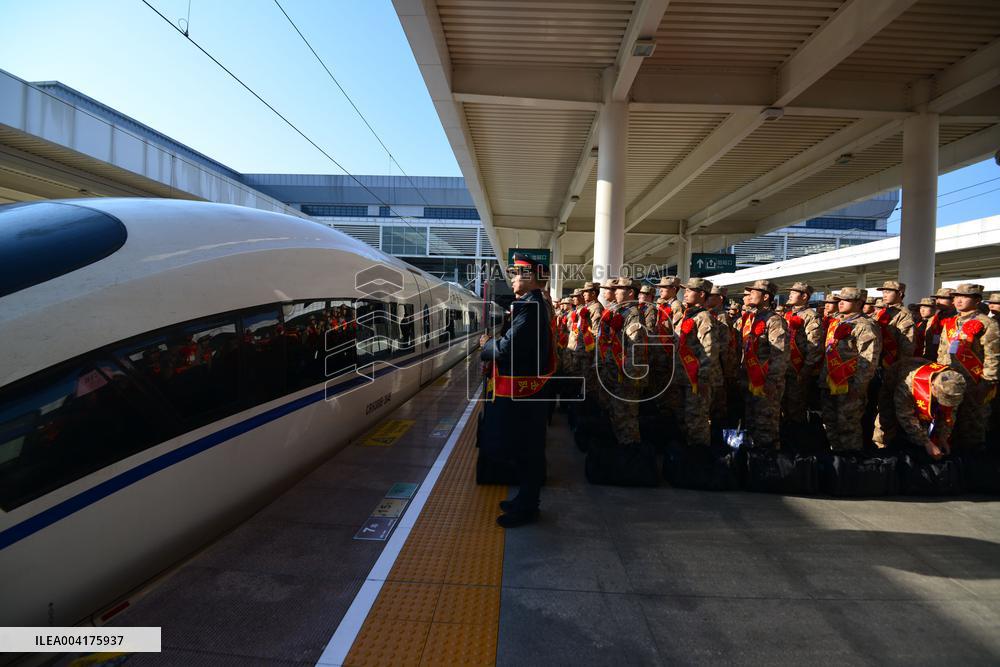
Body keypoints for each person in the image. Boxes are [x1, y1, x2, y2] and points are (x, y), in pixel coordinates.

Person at [479, 253, 555, 528]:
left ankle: (527, 506)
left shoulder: (531, 307)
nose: (512, 279)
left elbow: (506, 348)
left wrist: (487, 345)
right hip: (526, 390)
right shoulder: (534, 304)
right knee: (525, 447)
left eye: (516, 274)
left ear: (530, 277)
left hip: (525, 393)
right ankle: (524, 498)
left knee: (528, 449)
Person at [937, 283, 999, 449]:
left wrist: (987, 383)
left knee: (972, 424)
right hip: (949, 380)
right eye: (956, 296)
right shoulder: (951, 322)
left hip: (974, 381)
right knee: (947, 423)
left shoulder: (987, 324)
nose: (958, 300)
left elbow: (993, 356)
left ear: (977, 300)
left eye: (964, 296)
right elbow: (942, 351)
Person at [819, 287, 881, 452]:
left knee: (848, 426)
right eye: (840, 300)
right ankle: (836, 458)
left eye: (846, 300)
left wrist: (858, 387)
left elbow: (869, 359)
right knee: (830, 423)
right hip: (830, 381)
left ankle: (850, 464)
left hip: (850, 385)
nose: (841, 303)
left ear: (859, 303)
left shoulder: (865, 325)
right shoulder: (837, 321)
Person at [873, 357, 966, 458]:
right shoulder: (908, 386)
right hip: (895, 379)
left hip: (919, 375)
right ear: (933, 386)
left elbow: (949, 414)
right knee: (887, 419)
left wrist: (943, 437)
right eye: (940, 398)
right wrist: (926, 442)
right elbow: (906, 417)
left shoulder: (953, 385)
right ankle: (881, 450)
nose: (943, 402)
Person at [742, 279, 788, 449]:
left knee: (766, 424)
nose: (750, 294)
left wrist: (772, 380)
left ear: (766, 296)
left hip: (765, 380)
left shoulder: (774, 320)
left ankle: (769, 462)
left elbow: (780, 353)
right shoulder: (753, 318)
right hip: (750, 378)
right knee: (752, 422)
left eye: (754, 291)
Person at [673, 278, 717, 448]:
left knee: (696, 419)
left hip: (696, 379)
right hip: (682, 375)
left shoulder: (704, 317)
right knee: (685, 418)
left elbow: (709, 349)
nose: (686, 293)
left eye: (690, 291)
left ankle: (699, 457)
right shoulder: (687, 315)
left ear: (701, 294)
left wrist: (703, 377)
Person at [782, 282, 823, 428]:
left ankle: (799, 441)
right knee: (783, 406)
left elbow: (815, 345)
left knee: (796, 407)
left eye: (794, 292)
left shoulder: (811, 316)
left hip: (798, 369)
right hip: (784, 368)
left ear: (804, 296)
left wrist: (806, 369)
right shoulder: (787, 314)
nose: (790, 294)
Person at [924, 288, 956, 359]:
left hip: (949, 360)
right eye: (937, 298)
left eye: (942, 298)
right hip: (931, 357)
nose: (937, 301)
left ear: (953, 300)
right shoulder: (934, 318)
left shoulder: (958, 319)